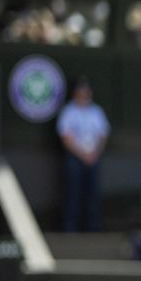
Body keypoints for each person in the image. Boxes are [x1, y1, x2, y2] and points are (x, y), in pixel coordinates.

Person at [57, 77, 109, 232]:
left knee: (92, 194)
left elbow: (103, 135)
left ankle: (92, 228)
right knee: (73, 194)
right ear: (75, 93)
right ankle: (70, 228)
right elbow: (66, 137)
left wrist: (94, 153)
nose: (84, 93)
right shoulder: (68, 111)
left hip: (94, 157)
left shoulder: (97, 111)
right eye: (81, 90)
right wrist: (82, 154)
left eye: (86, 91)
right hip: (75, 159)